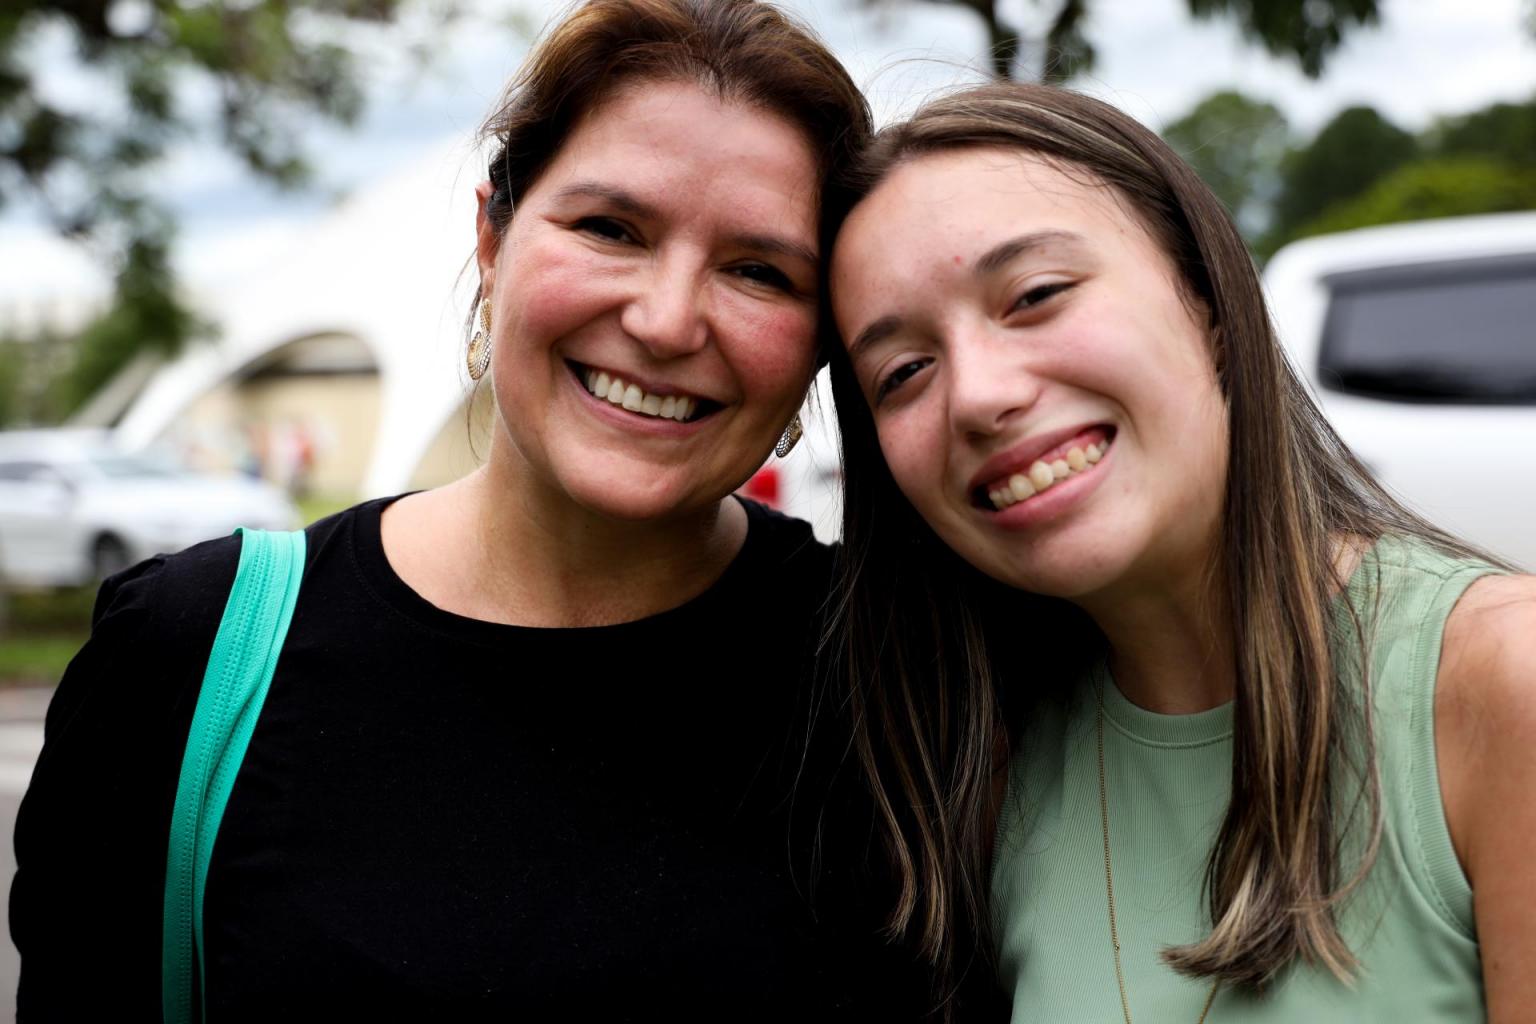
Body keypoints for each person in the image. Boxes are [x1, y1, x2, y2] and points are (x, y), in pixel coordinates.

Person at [10, 2, 924, 1019]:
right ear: (492, 239)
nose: (667, 322)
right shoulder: (193, 652)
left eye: (759, 270)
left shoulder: (903, 671)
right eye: (609, 228)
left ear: (819, 339)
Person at [823, 81, 1536, 1022]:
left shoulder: (1500, 683)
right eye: (903, 371)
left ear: (1205, 302)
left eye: (1035, 295)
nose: (978, 396)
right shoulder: (992, 771)